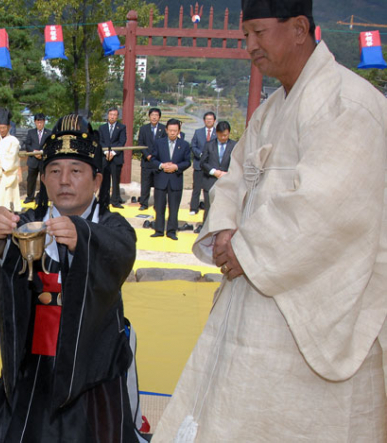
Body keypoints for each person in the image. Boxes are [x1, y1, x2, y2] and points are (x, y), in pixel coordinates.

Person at [153, 0, 387, 441]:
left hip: (309, 317)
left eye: (259, 33)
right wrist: (224, 233)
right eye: (246, 36)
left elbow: (327, 210)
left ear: (300, 29)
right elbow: (232, 181)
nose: (250, 46)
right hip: (252, 302)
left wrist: (244, 248)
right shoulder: (270, 110)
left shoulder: (350, 106)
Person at [0, 114, 141, 443]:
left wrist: (82, 235)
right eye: (54, 171)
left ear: (96, 180)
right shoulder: (30, 221)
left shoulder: (111, 226)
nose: (64, 180)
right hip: (34, 360)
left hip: (90, 364)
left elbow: (121, 252)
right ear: (43, 180)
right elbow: (2, 265)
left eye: (75, 171)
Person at [149, 119, 191, 240]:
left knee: (174, 207)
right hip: (161, 179)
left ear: (179, 131)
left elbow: (187, 161)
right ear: (166, 130)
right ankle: (159, 230)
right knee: (159, 206)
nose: (172, 133)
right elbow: (153, 159)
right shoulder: (158, 143)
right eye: (170, 130)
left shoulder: (184, 145)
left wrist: (176, 167)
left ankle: (172, 231)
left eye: (175, 131)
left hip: (175, 179)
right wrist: (162, 165)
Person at [197, 120, 235, 230]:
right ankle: (206, 230)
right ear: (217, 133)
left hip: (227, 183)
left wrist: (228, 173)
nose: (223, 137)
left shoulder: (234, 145)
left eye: (226, 135)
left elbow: (237, 163)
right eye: (221, 135)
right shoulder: (209, 145)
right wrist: (214, 172)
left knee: (225, 209)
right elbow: (203, 163)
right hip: (210, 181)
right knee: (209, 208)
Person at [136, 107, 166, 210]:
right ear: (149, 116)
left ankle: (157, 204)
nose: (154, 117)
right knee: (145, 184)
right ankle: (144, 203)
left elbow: (164, 144)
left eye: (156, 115)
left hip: (158, 161)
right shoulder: (143, 129)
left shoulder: (163, 129)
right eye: (152, 115)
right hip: (146, 161)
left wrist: (156, 157)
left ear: (159, 117)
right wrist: (147, 155)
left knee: (158, 184)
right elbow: (140, 143)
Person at [0, 108, 21, 211]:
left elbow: (12, 158)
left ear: (8, 127)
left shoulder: (14, 141)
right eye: (0, 127)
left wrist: (2, 167)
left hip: (7, 174)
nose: (2, 130)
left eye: (4, 127)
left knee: (8, 202)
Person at [99, 106, 127, 208]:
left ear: (117, 116)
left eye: (115, 115)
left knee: (115, 180)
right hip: (105, 157)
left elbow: (122, 141)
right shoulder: (102, 128)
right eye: (111, 114)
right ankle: (104, 199)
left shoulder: (122, 127)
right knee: (105, 179)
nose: (112, 117)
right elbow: (100, 141)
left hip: (116, 157)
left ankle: (115, 200)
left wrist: (113, 153)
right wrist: (106, 152)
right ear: (108, 115)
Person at [189, 112, 216, 216]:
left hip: (211, 165)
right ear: (204, 120)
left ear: (214, 121)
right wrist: (200, 154)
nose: (209, 121)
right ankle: (194, 208)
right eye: (207, 119)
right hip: (199, 164)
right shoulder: (198, 132)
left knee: (210, 189)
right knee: (196, 188)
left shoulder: (216, 133)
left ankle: (209, 207)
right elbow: (193, 146)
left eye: (211, 119)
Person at [22, 113, 51, 203]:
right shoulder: (31, 132)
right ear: (35, 122)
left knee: (43, 180)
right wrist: (34, 152)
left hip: (43, 160)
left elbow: (50, 145)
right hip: (33, 160)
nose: (39, 124)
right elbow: (27, 144)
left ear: (44, 122)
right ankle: (30, 197)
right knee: (31, 179)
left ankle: (42, 197)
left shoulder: (49, 133)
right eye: (38, 122)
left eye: (41, 122)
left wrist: (42, 152)